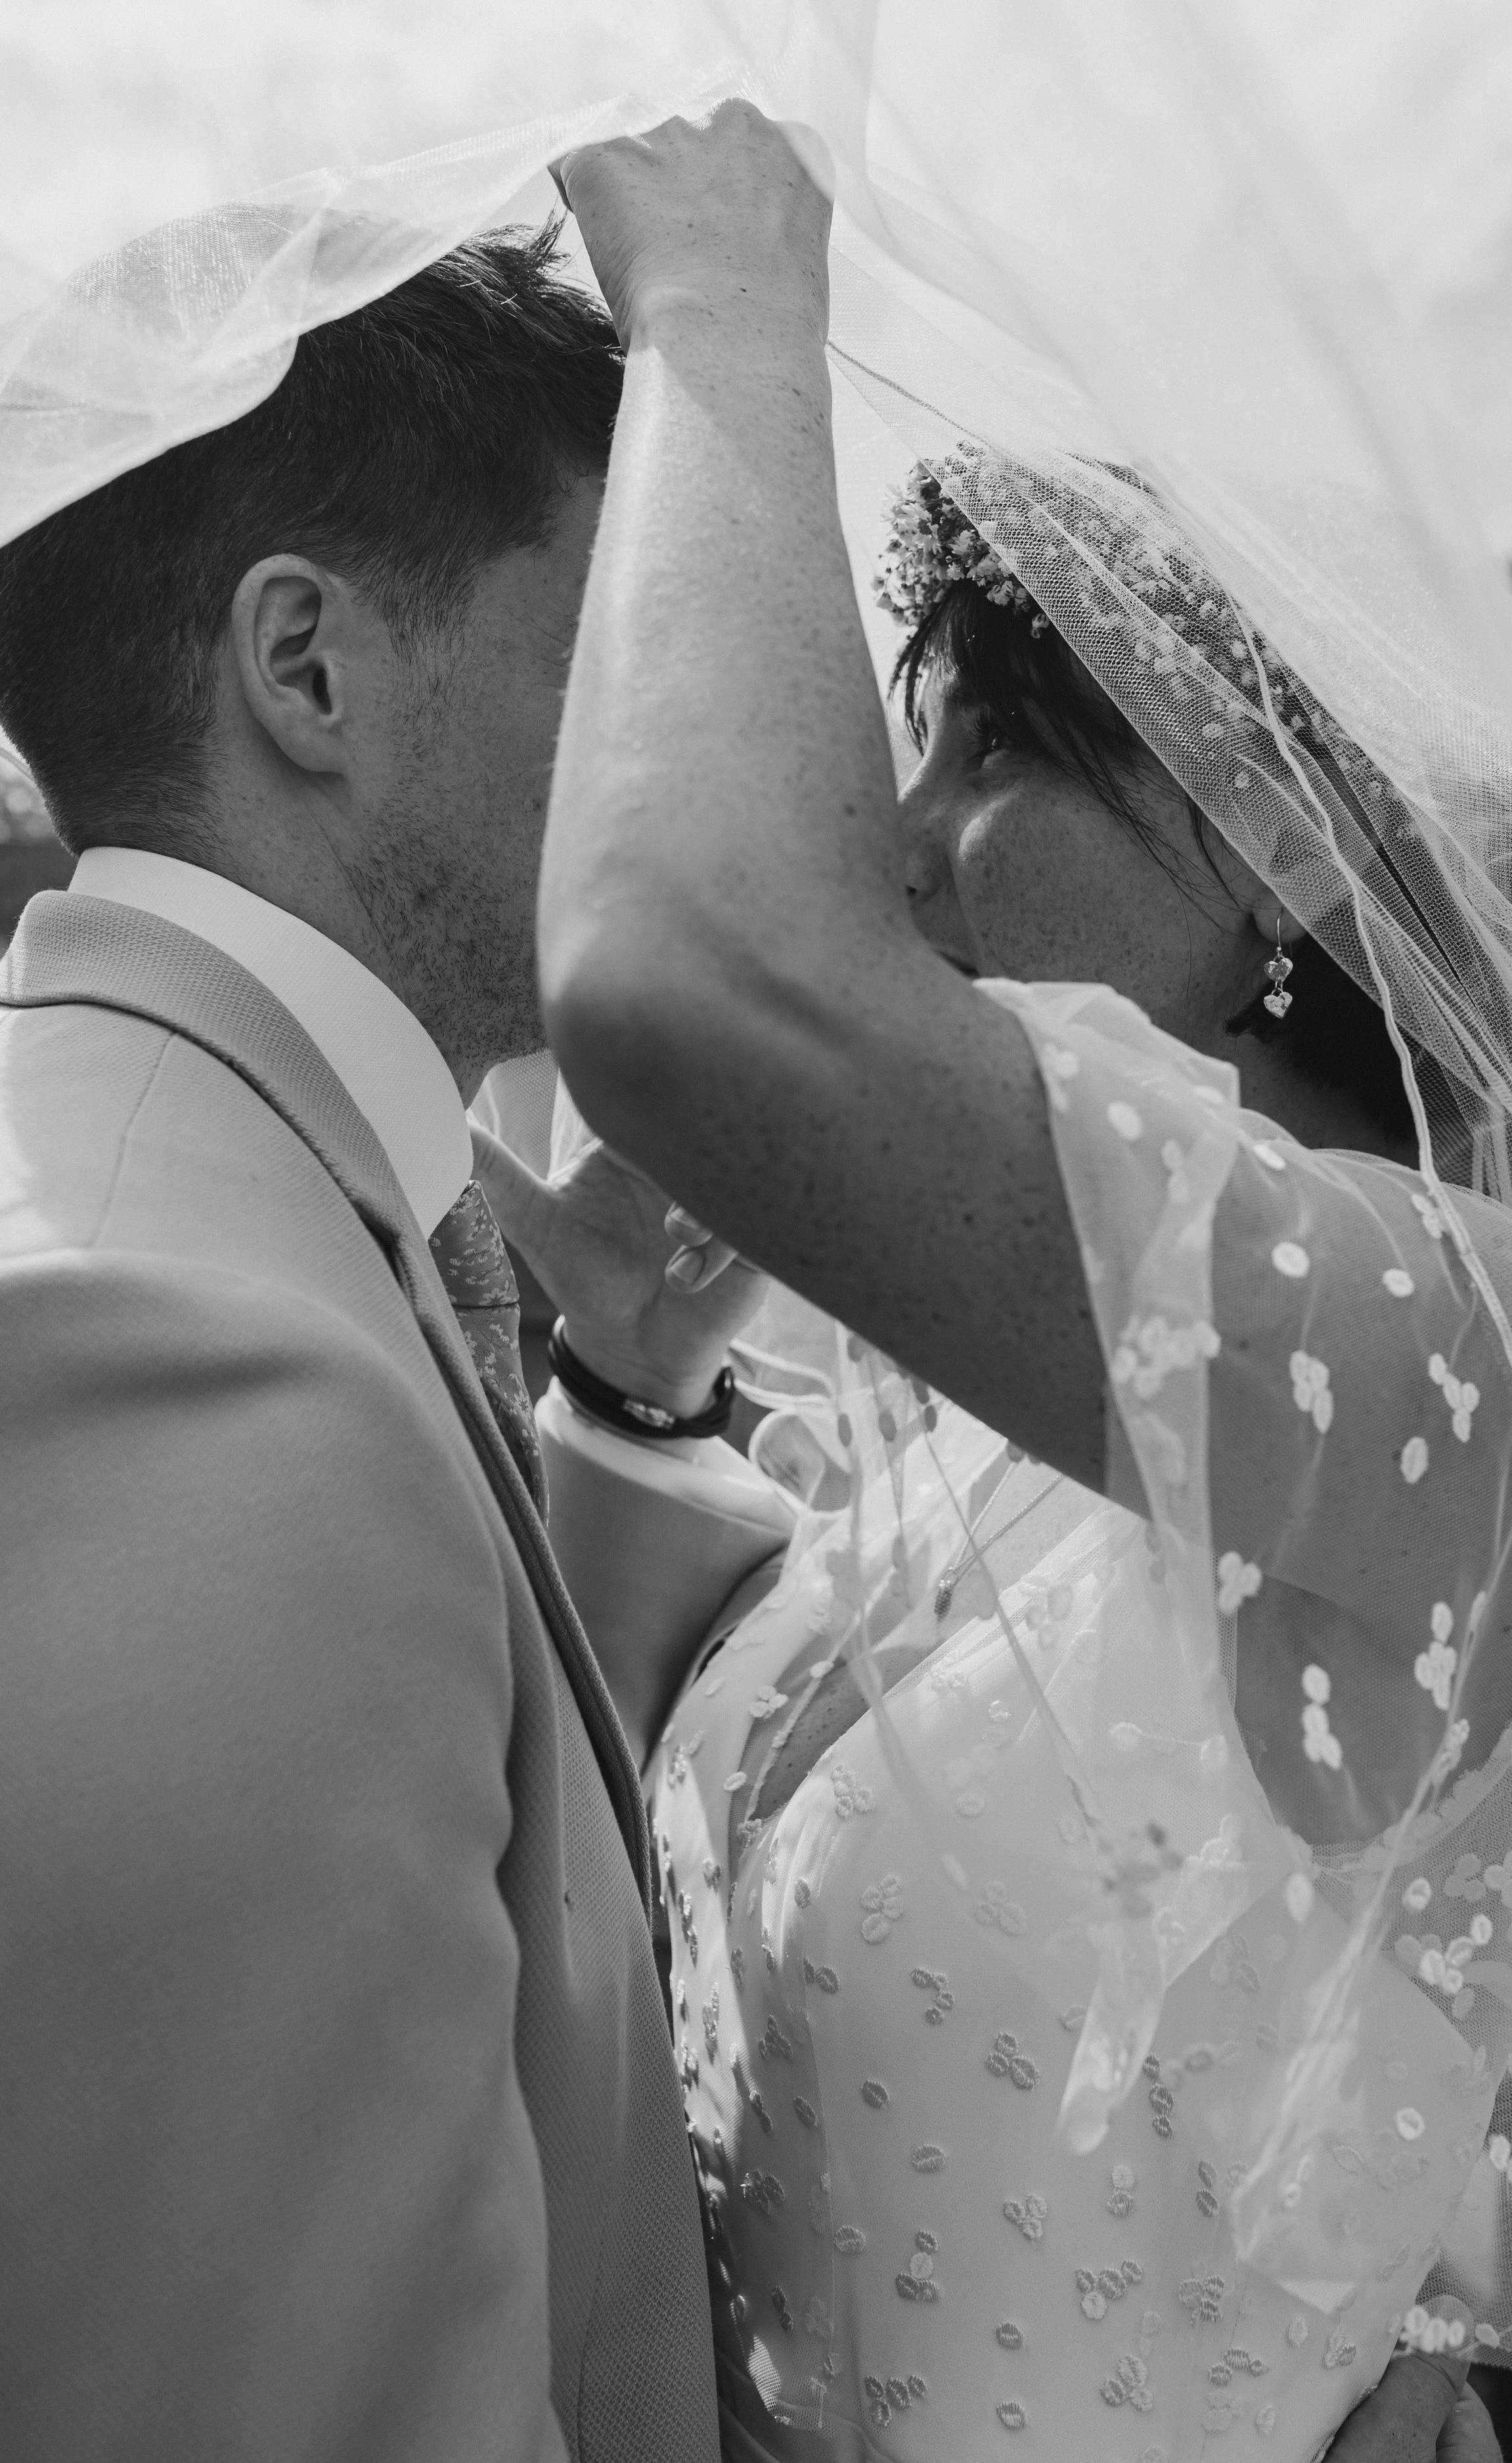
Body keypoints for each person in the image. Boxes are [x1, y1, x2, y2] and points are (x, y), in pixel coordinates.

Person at [528, 101, 1512, 2461]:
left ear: (1267, 844)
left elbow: (688, 970)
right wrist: (630, 1384)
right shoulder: (1071, 1380)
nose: (896, 854)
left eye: (983, 759)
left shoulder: (1489, 1340)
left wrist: (727, 304)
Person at [0, 229, 720, 2462]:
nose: (711, 747)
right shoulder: (191, 1368)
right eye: (627, 641)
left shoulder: (229, 1190)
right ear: (309, 667)